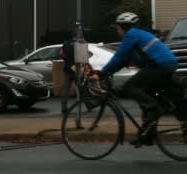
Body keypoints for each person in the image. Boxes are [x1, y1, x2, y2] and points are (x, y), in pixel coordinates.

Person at [98, 12, 178, 147]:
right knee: (145, 96)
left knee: (129, 87)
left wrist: (102, 73)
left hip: (159, 67)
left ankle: (154, 108)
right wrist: (108, 72)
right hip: (164, 66)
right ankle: (146, 135)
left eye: (118, 28)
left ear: (124, 27)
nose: (118, 32)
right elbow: (125, 60)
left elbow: (119, 56)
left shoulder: (132, 34)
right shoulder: (138, 35)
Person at [59, 29, 79, 114]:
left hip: (67, 68)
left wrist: (66, 59)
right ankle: (88, 104)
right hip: (77, 69)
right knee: (80, 88)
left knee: (66, 89)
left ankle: (64, 108)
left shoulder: (65, 43)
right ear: (77, 36)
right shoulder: (79, 43)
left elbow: (60, 54)